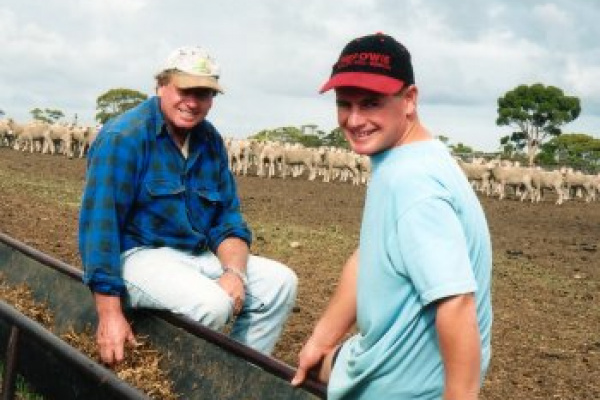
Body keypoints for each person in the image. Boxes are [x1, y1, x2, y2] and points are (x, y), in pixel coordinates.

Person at [291, 33, 493, 399]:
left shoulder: (413, 184)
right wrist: (320, 340)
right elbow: (368, 257)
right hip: (384, 360)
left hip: (400, 385)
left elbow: (456, 301)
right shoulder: (412, 157)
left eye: (371, 103)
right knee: (317, 363)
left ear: (409, 100)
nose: (354, 120)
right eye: (344, 104)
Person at [79, 45, 298, 365]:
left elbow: (227, 219)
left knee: (280, 284)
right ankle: (171, 377)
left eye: (204, 93)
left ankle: (235, 376)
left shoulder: (209, 142)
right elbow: (101, 225)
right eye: (185, 90)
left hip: (195, 255)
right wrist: (109, 313)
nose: (193, 102)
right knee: (212, 305)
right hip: (137, 256)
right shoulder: (125, 137)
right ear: (162, 86)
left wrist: (235, 272)